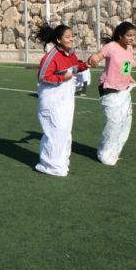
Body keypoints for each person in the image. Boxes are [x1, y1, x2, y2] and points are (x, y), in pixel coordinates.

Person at [34, 23, 89, 177]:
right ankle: (49, 165)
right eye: (68, 37)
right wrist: (62, 78)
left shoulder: (70, 53)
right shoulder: (50, 56)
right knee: (55, 130)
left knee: (65, 131)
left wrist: (87, 64)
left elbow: (75, 67)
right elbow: (43, 77)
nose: (71, 39)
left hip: (66, 99)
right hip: (52, 99)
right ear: (58, 39)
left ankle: (61, 161)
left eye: (72, 36)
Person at [87, 21, 136, 166]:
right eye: (129, 35)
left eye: (133, 35)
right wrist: (93, 60)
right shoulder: (110, 47)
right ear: (121, 35)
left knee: (125, 122)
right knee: (113, 123)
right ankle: (104, 154)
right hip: (109, 89)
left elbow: (127, 67)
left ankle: (113, 151)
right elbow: (97, 56)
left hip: (124, 90)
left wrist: (129, 78)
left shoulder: (129, 48)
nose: (132, 38)